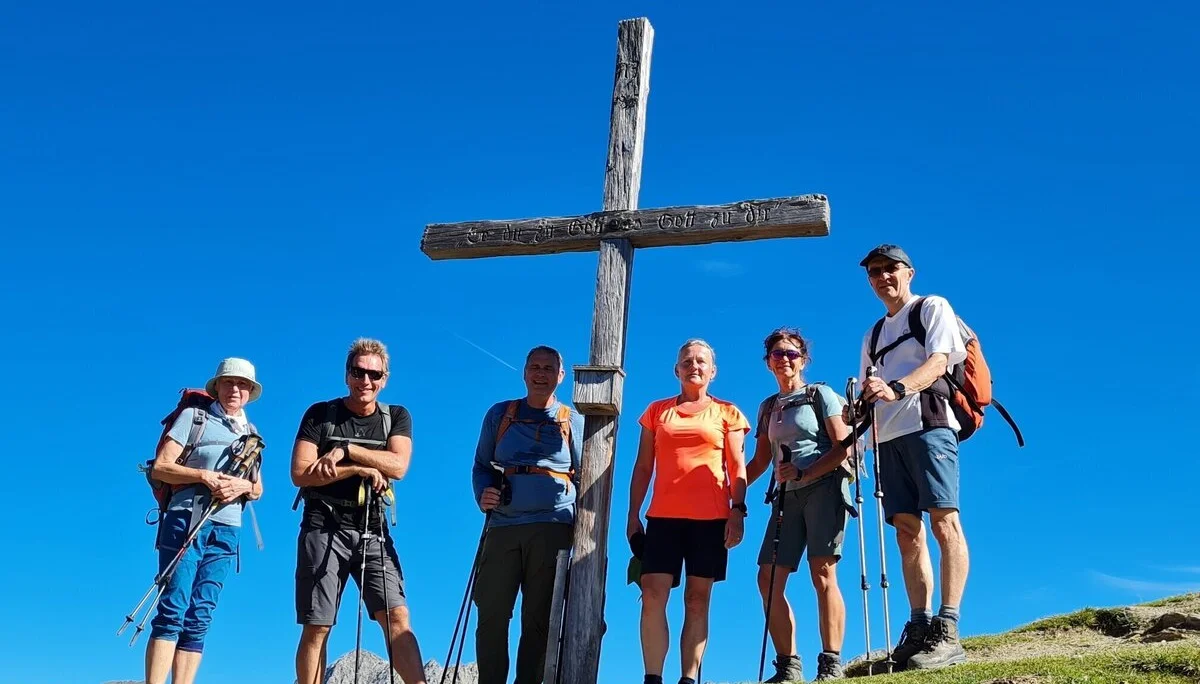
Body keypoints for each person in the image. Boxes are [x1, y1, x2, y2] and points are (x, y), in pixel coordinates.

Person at [854, 244, 969, 670]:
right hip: (887, 436)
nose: (883, 277)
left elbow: (939, 360)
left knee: (944, 520)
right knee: (907, 531)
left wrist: (899, 388)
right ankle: (919, 627)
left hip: (929, 424)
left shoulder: (931, 307)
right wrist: (860, 428)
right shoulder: (873, 334)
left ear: (909, 272)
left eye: (890, 269)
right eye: (874, 272)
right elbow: (871, 386)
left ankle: (948, 628)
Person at [290, 338, 428, 684]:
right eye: (358, 372)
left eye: (373, 374)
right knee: (318, 624)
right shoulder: (320, 415)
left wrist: (345, 449)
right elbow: (300, 473)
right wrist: (358, 469)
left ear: (385, 379)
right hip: (323, 526)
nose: (365, 381)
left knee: (397, 615)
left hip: (373, 529)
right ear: (347, 374)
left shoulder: (396, 417)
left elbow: (398, 466)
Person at [626, 339, 750, 684]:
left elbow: (737, 466)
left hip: (711, 519)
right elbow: (642, 467)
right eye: (687, 361)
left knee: (697, 599)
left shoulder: (728, 412)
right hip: (662, 517)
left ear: (713, 371)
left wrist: (737, 511)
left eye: (701, 361)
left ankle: (689, 678)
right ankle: (652, 677)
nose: (694, 366)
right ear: (676, 370)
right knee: (651, 593)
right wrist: (633, 515)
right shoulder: (656, 412)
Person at [144, 357, 265, 684]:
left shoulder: (251, 433)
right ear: (218, 386)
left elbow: (258, 488)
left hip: (227, 530)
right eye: (229, 383)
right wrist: (204, 476)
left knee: (200, 614)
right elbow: (160, 467)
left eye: (242, 385)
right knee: (173, 607)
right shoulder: (193, 418)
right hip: (185, 520)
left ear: (250, 391)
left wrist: (243, 486)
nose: (235, 390)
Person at [746, 328, 855, 681]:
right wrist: (727, 492)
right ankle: (788, 666)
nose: (785, 359)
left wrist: (806, 471)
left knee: (822, 572)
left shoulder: (819, 394)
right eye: (778, 354)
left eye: (792, 353)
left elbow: (845, 447)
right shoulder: (767, 407)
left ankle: (831, 663)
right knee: (768, 577)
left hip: (824, 488)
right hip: (785, 496)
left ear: (803, 359)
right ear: (768, 362)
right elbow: (760, 461)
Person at [471, 345, 584, 684]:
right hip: (503, 524)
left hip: (553, 526)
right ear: (524, 372)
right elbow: (481, 466)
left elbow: (587, 473)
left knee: (539, 619)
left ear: (560, 376)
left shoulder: (572, 420)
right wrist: (483, 493)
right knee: (490, 612)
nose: (540, 373)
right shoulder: (499, 415)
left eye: (548, 368)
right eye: (534, 366)